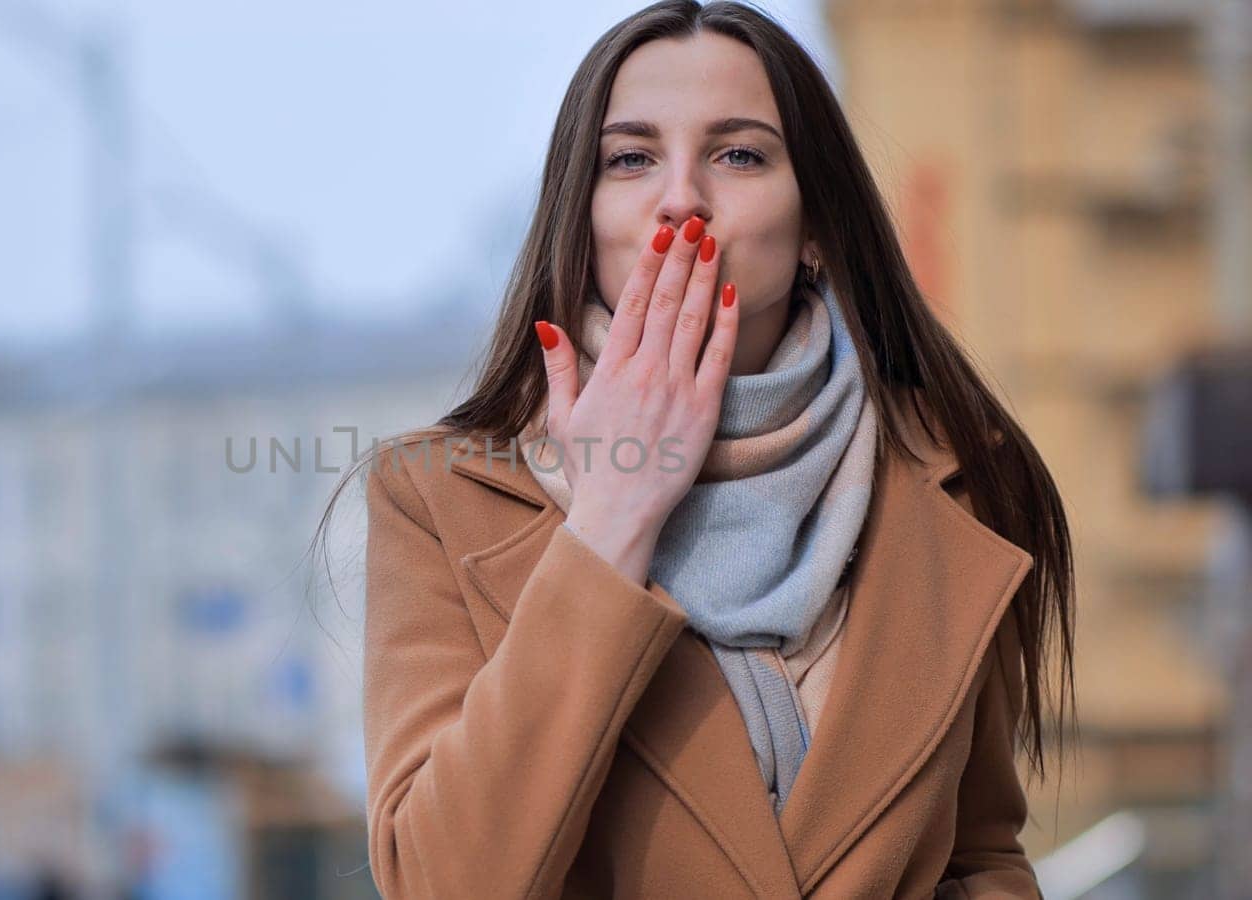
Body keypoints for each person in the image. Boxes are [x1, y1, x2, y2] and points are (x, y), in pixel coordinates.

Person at [308, 1, 1076, 896]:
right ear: (581, 217)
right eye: (630, 158)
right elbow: (443, 883)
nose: (681, 197)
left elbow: (981, 858)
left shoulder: (956, 480)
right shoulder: (437, 497)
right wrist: (608, 522)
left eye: (738, 153)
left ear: (818, 225)